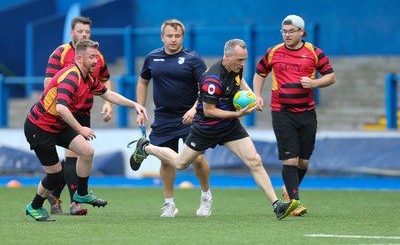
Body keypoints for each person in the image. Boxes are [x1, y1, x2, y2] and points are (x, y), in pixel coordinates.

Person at [130, 38, 298, 220]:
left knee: (254, 160)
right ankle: (146, 147)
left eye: (245, 59)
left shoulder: (236, 67)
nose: (243, 64)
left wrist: (252, 95)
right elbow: (209, 112)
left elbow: (240, 81)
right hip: (206, 128)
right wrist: (237, 115)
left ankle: (277, 206)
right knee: (180, 163)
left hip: (229, 127)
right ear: (227, 55)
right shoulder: (212, 79)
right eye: (240, 60)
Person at [24, 39, 147, 221]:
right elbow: (61, 108)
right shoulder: (71, 77)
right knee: (56, 175)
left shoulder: (87, 78)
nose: (96, 61)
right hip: (39, 127)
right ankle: (34, 207)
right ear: (80, 58)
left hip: (56, 125)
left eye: (96, 57)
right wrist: (80, 128)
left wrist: (134, 105)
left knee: (87, 151)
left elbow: (108, 94)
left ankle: (80, 194)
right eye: (92, 57)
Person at [253, 15, 336, 216]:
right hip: (282, 112)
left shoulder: (314, 53)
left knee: (304, 161)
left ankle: (288, 191)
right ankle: (294, 202)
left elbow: (331, 76)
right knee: (290, 160)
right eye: (284, 31)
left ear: (301, 32)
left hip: (307, 113)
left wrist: (314, 83)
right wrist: (256, 95)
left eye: (291, 31)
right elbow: (259, 73)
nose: (287, 35)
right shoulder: (273, 52)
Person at [135, 19, 212, 217]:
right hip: (163, 118)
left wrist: (196, 108)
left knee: (198, 158)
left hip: (190, 118)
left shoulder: (193, 58)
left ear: (182, 37)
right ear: (162, 37)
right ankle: (169, 204)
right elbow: (143, 81)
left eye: (177, 36)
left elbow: (207, 87)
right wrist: (140, 107)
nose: (173, 40)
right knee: (166, 161)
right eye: (169, 36)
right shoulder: (152, 58)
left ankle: (206, 196)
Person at [44, 16, 113, 216]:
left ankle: (55, 194)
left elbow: (105, 81)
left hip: (84, 111)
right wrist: (60, 105)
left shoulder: (96, 55)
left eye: (87, 32)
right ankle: (76, 202)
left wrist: (107, 103)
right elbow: (49, 83)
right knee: (74, 154)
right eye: (80, 31)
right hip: (65, 112)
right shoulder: (59, 53)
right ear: (71, 32)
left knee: (76, 155)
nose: (84, 34)